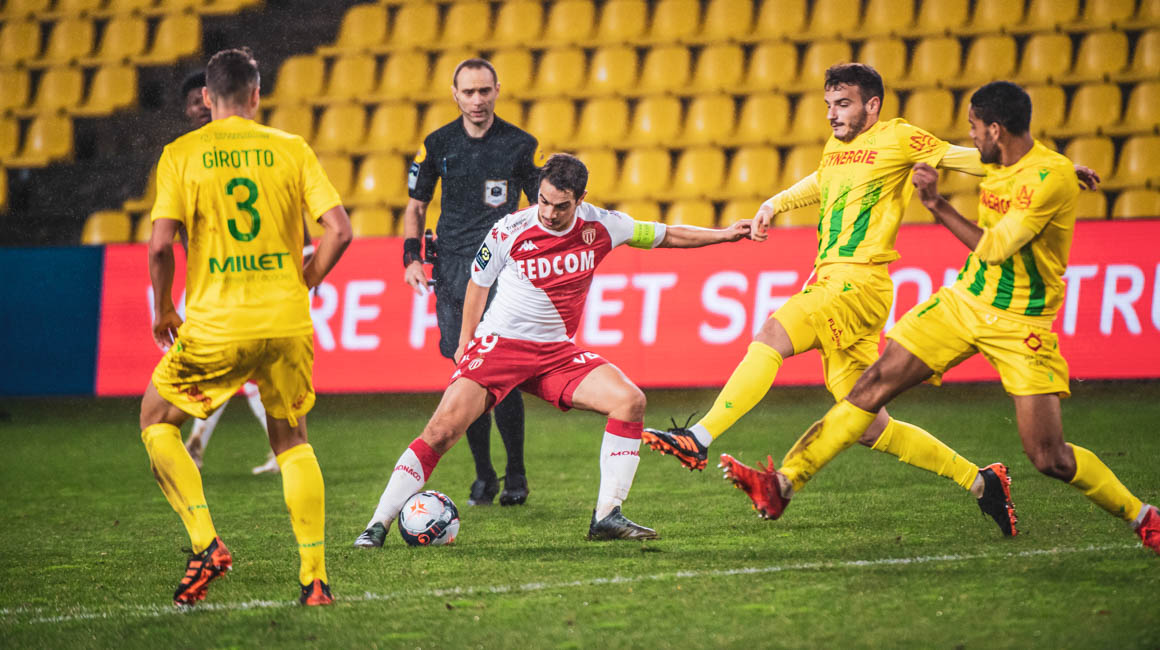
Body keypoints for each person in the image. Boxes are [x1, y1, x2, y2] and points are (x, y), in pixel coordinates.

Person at [718, 81, 1160, 554]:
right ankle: (782, 484)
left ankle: (1145, 517)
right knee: (870, 387)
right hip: (962, 302)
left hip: (1021, 323)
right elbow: (959, 158)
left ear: (995, 130)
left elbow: (995, 247)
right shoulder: (1000, 162)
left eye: (974, 127)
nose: (970, 135)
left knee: (1049, 457)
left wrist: (936, 203)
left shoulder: (1047, 180)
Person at [645, 63, 1022, 534]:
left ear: (872, 105)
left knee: (772, 334)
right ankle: (983, 481)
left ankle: (698, 438)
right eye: (828, 105)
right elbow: (823, 181)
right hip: (840, 285)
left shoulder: (898, 137)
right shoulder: (837, 147)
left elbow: (966, 158)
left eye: (843, 104)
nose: (832, 114)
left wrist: (1042, 168)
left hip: (856, 284)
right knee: (868, 423)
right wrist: (775, 204)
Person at [353, 154, 752, 547]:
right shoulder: (511, 228)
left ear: (580, 199)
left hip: (556, 354)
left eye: (561, 206)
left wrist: (725, 234)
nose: (548, 212)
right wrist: (465, 343)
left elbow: (667, 235)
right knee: (441, 432)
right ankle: (377, 525)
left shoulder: (603, 225)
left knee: (630, 401)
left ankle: (607, 516)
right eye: (543, 200)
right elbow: (479, 281)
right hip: (501, 346)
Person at [139, 48, 353, 607]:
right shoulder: (291, 148)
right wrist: (307, 279)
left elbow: (160, 245)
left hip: (217, 324)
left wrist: (163, 308)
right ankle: (315, 582)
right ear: (256, 95)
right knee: (292, 442)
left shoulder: (181, 154)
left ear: (207, 98)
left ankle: (205, 543)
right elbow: (339, 230)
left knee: (156, 420)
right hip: (286, 320)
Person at [403, 57, 543, 506]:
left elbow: (544, 206)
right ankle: (485, 475)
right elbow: (416, 206)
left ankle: (516, 474)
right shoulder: (437, 143)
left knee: (505, 375)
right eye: (469, 92)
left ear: (497, 90)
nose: (477, 100)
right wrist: (411, 258)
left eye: (484, 91)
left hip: (504, 271)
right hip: (453, 272)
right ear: (455, 94)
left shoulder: (521, 145)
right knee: (466, 373)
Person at [178, 70, 315, 476]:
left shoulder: (249, 150)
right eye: (192, 103)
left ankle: (194, 442)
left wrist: (305, 260)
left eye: (203, 100)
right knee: (240, 369)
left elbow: (288, 205)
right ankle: (279, 446)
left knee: (234, 367)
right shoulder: (189, 156)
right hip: (213, 283)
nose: (199, 109)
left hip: (255, 280)